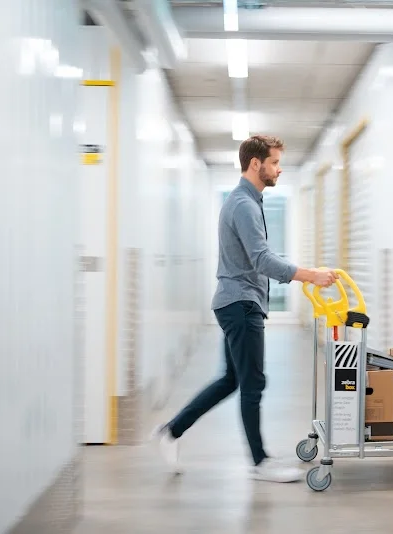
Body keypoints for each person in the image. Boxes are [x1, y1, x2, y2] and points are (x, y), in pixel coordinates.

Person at [151, 134, 338, 483]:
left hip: (238, 302)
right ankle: (259, 462)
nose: (279, 169)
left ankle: (172, 431)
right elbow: (262, 259)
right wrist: (310, 275)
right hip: (240, 304)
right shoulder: (243, 205)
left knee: (232, 380)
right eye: (275, 163)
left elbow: (258, 259)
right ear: (256, 164)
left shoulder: (248, 201)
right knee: (253, 383)